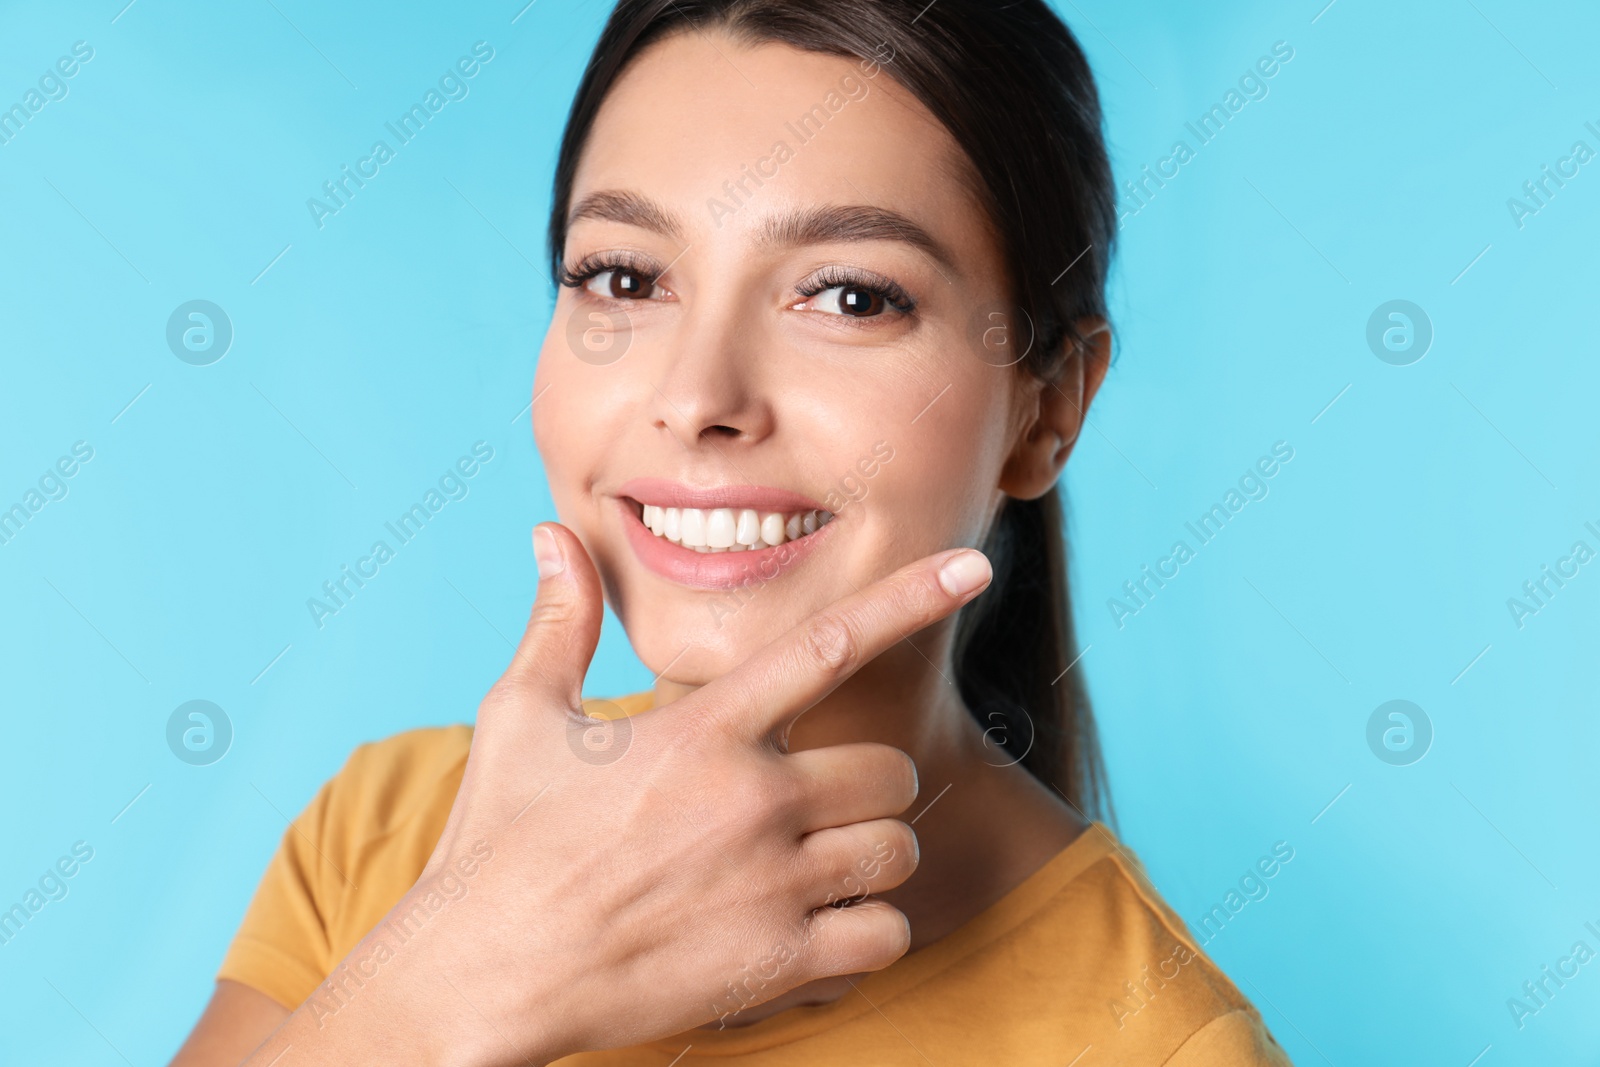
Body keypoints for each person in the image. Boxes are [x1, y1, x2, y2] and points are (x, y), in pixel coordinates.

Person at [170, 1, 1293, 1063]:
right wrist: (462, 971)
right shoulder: (389, 829)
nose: (698, 394)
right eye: (623, 275)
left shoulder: (1153, 1037)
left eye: (849, 296)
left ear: (1046, 409)